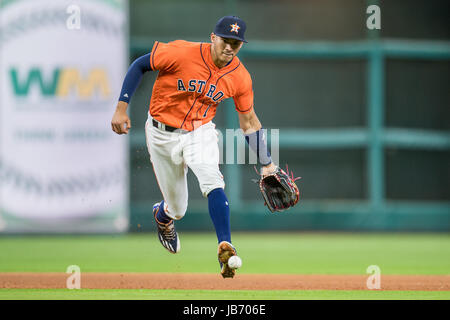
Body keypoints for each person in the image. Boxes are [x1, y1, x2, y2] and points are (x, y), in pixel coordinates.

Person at [111, 16, 277, 278]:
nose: (230, 48)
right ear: (213, 37)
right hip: (161, 133)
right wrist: (121, 108)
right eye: (226, 40)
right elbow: (139, 65)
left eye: (236, 43)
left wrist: (267, 163)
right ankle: (163, 215)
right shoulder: (181, 52)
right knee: (178, 209)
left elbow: (249, 122)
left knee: (213, 181)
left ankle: (226, 245)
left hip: (200, 131)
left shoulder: (240, 77)